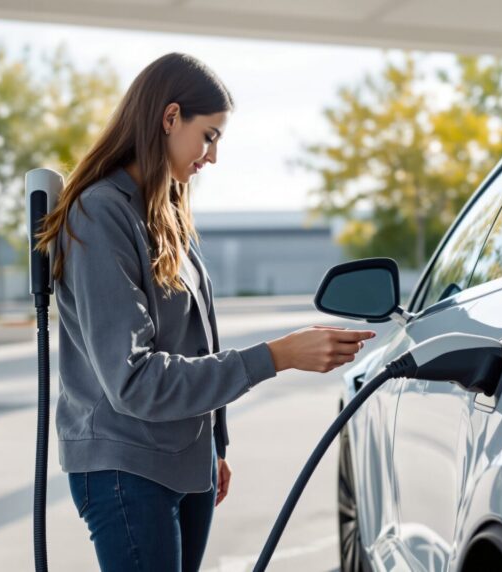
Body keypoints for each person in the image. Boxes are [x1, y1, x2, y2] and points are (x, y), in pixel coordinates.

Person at [34, 53, 375, 571]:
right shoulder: (101, 214)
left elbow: (193, 337)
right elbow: (133, 380)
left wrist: (213, 443)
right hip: (126, 471)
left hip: (183, 464)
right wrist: (276, 356)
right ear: (170, 118)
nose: (212, 156)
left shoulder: (164, 211)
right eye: (209, 136)